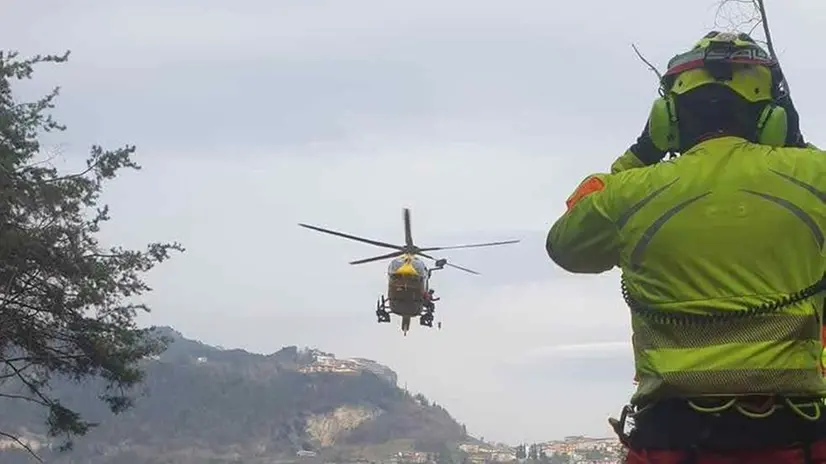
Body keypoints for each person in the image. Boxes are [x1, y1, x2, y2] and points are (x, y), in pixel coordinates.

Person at [546, 31, 826, 463]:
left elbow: (564, 244)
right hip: (796, 438)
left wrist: (640, 153)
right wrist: (797, 145)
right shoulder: (816, 176)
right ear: (771, 116)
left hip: (669, 440)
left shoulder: (627, 193)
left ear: (666, 119)